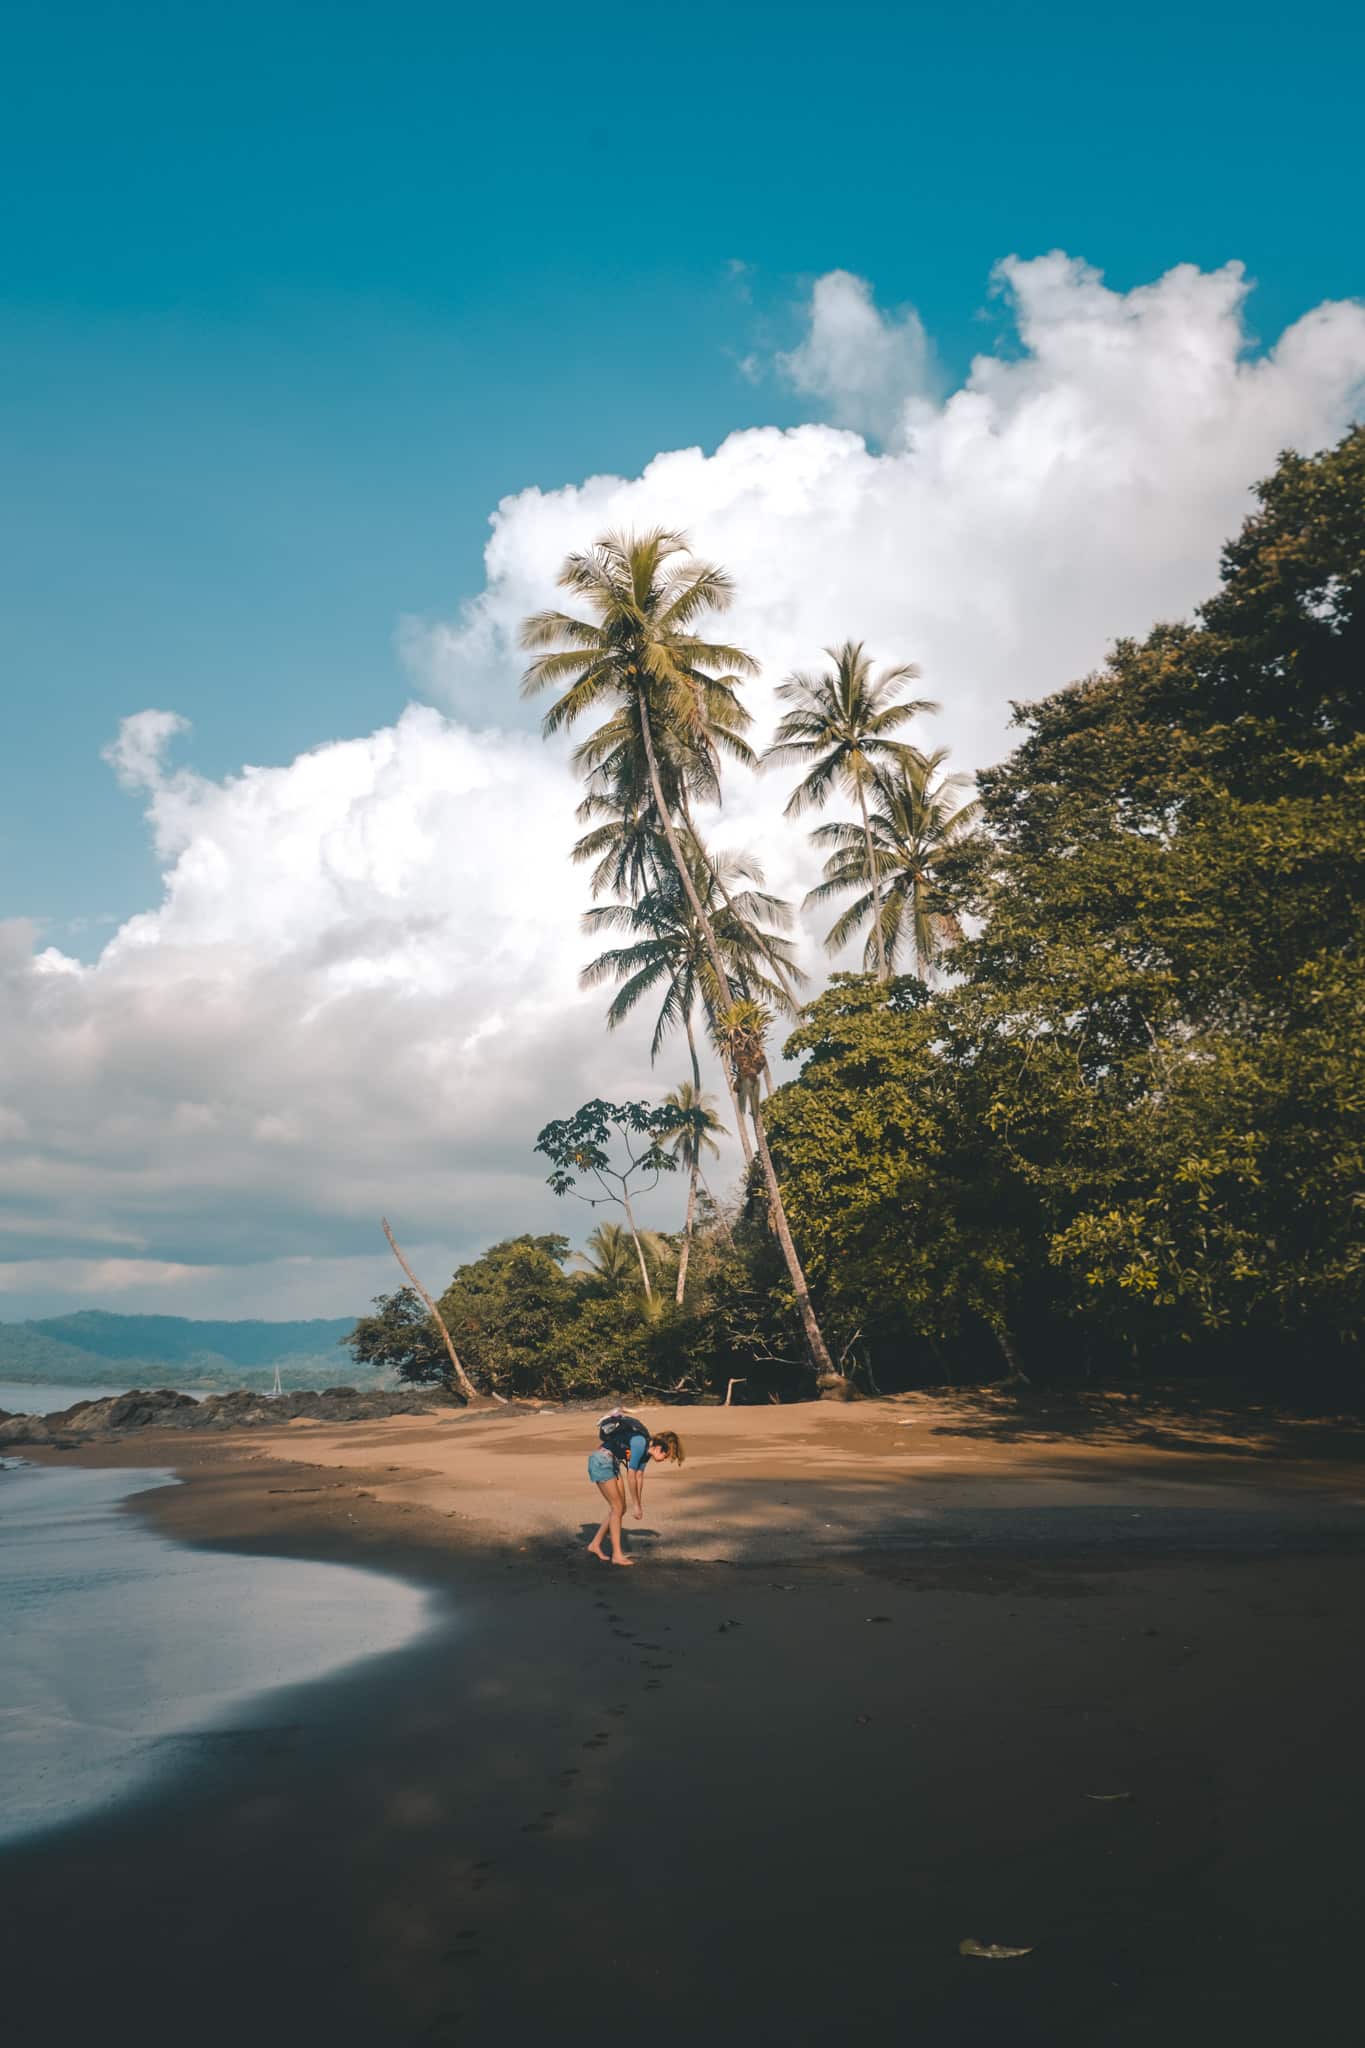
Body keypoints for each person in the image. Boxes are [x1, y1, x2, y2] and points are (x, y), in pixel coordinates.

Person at [586, 1411, 686, 1564]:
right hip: (601, 1461)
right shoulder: (640, 1442)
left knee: (620, 1508)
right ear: (660, 1448)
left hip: (612, 1463)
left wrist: (638, 1505)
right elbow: (631, 1475)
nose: (665, 1459)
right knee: (617, 1508)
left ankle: (595, 1544)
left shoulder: (646, 1453)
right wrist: (636, 1504)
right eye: (666, 1456)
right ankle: (617, 1555)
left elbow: (639, 1477)